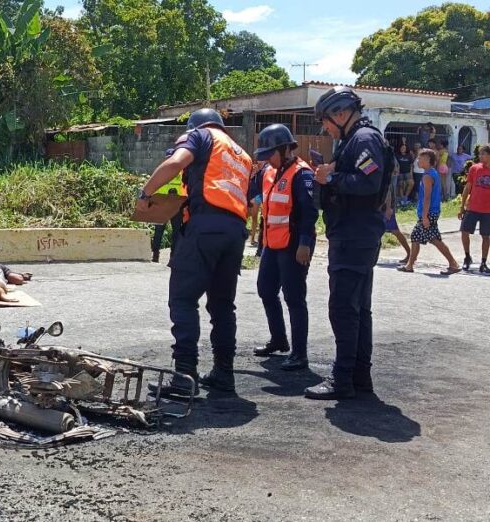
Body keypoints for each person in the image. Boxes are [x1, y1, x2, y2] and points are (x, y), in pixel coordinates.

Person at [137, 108, 252, 395]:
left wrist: (145, 194)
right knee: (223, 306)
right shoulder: (241, 154)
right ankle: (224, 374)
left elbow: (176, 162)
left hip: (205, 228)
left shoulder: (200, 136)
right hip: (235, 231)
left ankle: (184, 378)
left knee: (183, 299)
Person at [307, 86, 388, 400]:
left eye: (326, 121)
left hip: (355, 236)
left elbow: (369, 183)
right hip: (356, 235)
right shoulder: (355, 140)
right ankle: (358, 377)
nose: (325, 128)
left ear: (341, 114)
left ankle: (342, 380)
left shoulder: (364, 140)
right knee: (358, 309)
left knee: (344, 308)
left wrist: (331, 178)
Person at [251, 124, 318, 371]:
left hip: (293, 247)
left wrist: (304, 244)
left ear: (284, 149)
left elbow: (310, 213)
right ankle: (279, 340)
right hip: (272, 245)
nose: (267, 159)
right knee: (266, 290)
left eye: (270, 153)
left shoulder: (302, 174)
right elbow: (253, 192)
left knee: (294, 298)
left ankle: (300, 354)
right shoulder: (269, 171)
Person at [398, 149, 460, 275]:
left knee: (429, 238)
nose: (418, 160)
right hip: (431, 211)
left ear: (427, 160)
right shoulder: (432, 173)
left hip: (429, 212)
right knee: (424, 237)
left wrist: (425, 216)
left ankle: (453, 264)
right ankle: (410, 265)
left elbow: (427, 197)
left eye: (420, 158)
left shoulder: (427, 176)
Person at [459, 145, 490, 273]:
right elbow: (467, 187)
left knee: (486, 236)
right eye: (480, 154)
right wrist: (462, 206)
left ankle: (483, 262)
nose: (481, 156)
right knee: (464, 232)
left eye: (483, 154)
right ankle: (467, 257)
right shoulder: (474, 168)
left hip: (488, 210)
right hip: (472, 207)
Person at [150, 149, 184, 263]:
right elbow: (153, 187)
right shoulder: (160, 172)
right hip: (162, 205)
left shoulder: (181, 173)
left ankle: (173, 257)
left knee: (176, 232)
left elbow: (185, 190)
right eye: (168, 157)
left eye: (171, 157)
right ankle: (155, 254)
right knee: (158, 231)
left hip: (176, 206)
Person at [385, 151, 412, 264]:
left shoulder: (388, 161)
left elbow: (388, 192)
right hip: (383, 206)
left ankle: (410, 254)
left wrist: (388, 208)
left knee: (395, 231)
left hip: (385, 207)